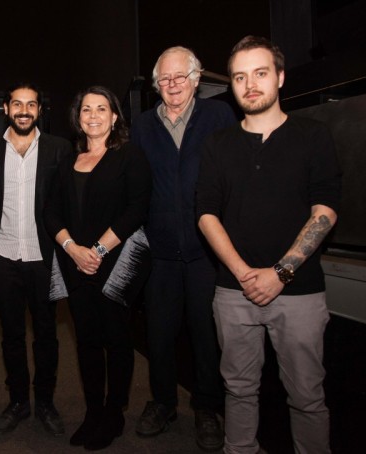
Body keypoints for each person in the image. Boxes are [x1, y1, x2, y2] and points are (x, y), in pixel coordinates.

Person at [196, 36, 341, 453]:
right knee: (238, 391)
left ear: (278, 77)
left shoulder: (313, 136)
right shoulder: (217, 144)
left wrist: (281, 273)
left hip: (299, 291)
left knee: (307, 397)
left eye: (260, 73)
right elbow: (206, 214)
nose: (250, 84)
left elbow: (326, 211)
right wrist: (243, 273)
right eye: (240, 77)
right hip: (232, 290)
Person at [130, 46, 235, 450]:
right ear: (157, 86)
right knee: (158, 334)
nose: (172, 86)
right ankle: (162, 402)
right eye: (164, 80)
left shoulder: (219, 117)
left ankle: (207, 407)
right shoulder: (142, 125)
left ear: (196, 78)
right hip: (158, 252)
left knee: (206, 334)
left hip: (207, 252)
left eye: (180, 77)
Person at [44, 86, 152, 450]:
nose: (93, 115)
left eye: (101, 108)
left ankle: (114, 412)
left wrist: (99, 249)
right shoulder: (65, 161)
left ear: (114, 116)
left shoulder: (130, 156)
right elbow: (50, 213)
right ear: (78, 117)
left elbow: (137, 208)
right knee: (87, 340)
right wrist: (74, 249)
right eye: (86, 108)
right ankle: (93, 411)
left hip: (116, 262)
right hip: (74, 262)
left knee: (117, 339)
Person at [0, 83, 72, 437]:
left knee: (46, 335)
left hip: (43, 258)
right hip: (3, 258)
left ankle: (45, 402)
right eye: (17, 103)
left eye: (31, 104)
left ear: (39, 110)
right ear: (5, 108)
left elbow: (67, 203)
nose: (24, 110)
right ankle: (18, 401)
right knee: (11, 335)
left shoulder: (59, 150)